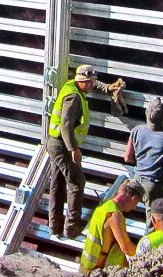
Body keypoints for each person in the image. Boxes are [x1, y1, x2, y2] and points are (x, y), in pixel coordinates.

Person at [45, 64, 125, 239]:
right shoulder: (74, 97)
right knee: (77, 182)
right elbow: (66, 125)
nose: (91, 86)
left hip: (55, 142)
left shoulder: (71, 85)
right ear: (80, 81)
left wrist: (107, 87)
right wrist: (73, 149)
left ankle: (55, 226)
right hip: (62, 145)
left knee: (58, 183)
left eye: (92, 82)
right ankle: (71, 228)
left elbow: (94, 84)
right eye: (88, 83)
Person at [80, 178, 145, 276]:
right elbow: (127, 248)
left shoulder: (104, 207)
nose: (135, 207)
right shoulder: (114, 216)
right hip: (95, 271)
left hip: (86, 264)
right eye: (136, 203)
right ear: (134, 198)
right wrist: (144, 254)